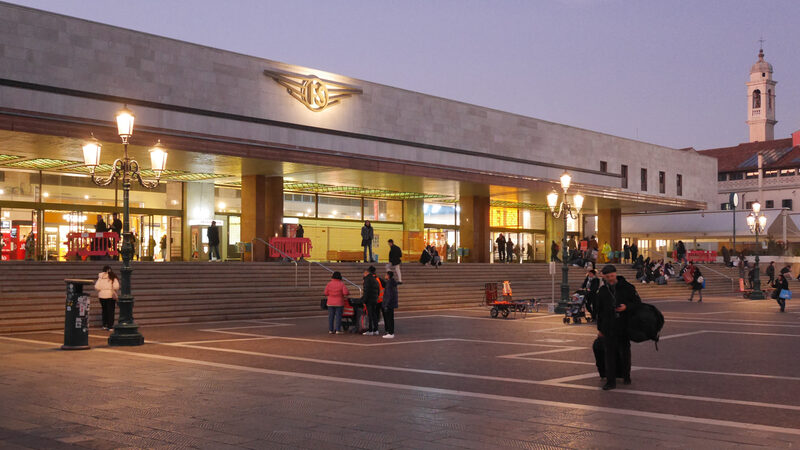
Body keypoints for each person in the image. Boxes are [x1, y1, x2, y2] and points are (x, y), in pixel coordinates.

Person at [596, 265, 638, 390]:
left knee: (625, 352)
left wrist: (626, 307)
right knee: (609, 354)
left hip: (624, 325)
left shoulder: (628, 287)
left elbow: (637, 303)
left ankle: (626, 375)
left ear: (616, 274)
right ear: (604, 276)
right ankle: (610, 381)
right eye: (608, 277)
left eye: (612, 276)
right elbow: (599, 311)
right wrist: (600, 329)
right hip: (608, 327)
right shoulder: (603, 291)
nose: (610, 279)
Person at [94, 265, 120, 331]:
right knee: (110, 311)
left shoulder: (100, 277)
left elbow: (97, 287)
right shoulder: (112, 277)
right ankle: (110, 326)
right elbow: (116, 287)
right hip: (110, 296)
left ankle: (104, 324)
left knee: (104, 310)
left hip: (102, 296)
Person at [362, 266, 381, 335]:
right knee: (374, 314)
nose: (363, 275)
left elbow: (366, 291)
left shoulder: (367, 279)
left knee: (370, 315)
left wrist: (364, 300)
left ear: (366, 272)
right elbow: (378, 290)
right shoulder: (374, 279)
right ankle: (376, 329)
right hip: (374, 299)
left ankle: (370, 330)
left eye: (364, 273)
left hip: (369, 300)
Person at [382, 271, 399, 338]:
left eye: (386, 275)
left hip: (389, 303)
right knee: (391, 318)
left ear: (388, 276)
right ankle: (390, 332)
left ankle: (390, 332)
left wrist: (386, 304)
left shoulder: (389, 283)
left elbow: (389, 295)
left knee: (389, 318)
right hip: (392, 303)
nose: (385, 276)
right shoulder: (392, 282)